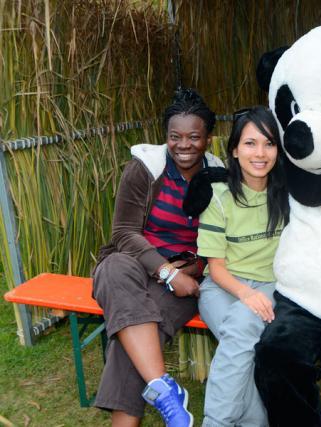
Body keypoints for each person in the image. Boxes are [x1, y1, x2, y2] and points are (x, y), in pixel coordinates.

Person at [92, 88, 222, 427]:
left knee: (130, 339)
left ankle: (165, 396)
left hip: (184, 279)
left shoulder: (220, 179)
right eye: (175, 136)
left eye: (194, 137)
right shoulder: (145, 169)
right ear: (166, 136)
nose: (183, 145)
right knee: (113, 267)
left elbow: (222, 243)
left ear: (208, 138)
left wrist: (190, 270)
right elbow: (123, 232)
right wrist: (165, 271)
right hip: (133, 266)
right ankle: (165, 392)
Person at [196, 106, 288, 427]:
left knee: (239, 333)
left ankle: (216, 422)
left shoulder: (288, 196)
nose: (260, 153)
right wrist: (245, 294)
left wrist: (254, 295)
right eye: (250, 143)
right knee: (241, 340)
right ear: (234, 150)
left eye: (269, 143)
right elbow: (216, 268)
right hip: (222, 286)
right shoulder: (218, 198)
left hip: (270, 286)